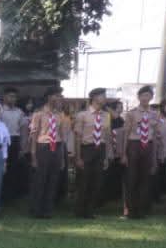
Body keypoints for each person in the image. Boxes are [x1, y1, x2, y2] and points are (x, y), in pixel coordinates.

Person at [26, 88, 68, 219]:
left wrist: (62, 156)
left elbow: (62, 135)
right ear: (49, 97)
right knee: (40, 179)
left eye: (60, 96)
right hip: (43, 147)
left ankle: (48, 209)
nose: (60, 98)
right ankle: (36, 209)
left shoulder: (60, 115)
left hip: (57, 146)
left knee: (53, 179)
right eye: (57, 96)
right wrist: (33, 155)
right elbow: (34, 135)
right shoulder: (39, 114)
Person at [120, 85, 160, 219]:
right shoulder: (131, 113)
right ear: (138, 97)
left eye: (148, 95)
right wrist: (124, 153)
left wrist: (154, 156)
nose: (145, 98)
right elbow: (126, 134)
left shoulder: (155, 114)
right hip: (134, 145)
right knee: (131, 179)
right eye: (143, 95)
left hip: (148, 145)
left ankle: (141, 210)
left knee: (145, 179)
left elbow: (155, 136)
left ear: (151, 97)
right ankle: (129, 210)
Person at [71, 88, 110, 219]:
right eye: (102, 96)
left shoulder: (106, 115)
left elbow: (107, 136)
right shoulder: (82, 115)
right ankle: (79, 210)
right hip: (87, 148)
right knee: (83, 181)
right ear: (94, 98)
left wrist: (106, 156)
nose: (105, 98)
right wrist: (78, 157)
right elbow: (77, 137)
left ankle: (90, 210)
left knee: (97, 181)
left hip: (100, 148)